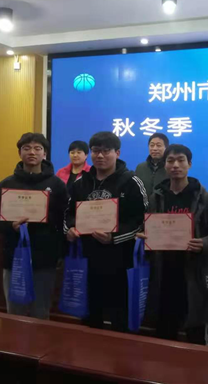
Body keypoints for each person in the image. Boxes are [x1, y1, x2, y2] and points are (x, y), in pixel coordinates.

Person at [139, 144, 208, 345]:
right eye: (170, 161)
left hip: (194, 275)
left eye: (180, 160)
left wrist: (203, 243)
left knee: (195, 333)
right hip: (163, 274)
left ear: (189, 164)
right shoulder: (156, 198)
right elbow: (146, 228)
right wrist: (144, 237)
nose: (175, 165)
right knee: (164, 333)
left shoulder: (205, 198)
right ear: (165, 165)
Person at [64, 131, 147, 332]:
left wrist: (114, 237)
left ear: (117, 153)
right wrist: (70, 229)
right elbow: (67, 213)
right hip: (87, 259)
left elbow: (143, 220)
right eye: (95, 151)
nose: (100, 156)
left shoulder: (131, 181)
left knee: (120, 318)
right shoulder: (80, 183)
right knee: (89, 317)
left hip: (120, 260)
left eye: (106, 151)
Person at [0, 132, 68, 320]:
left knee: (41, 311)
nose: (32, 152)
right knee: (15, 311)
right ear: (19, 153)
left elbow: (66, 218)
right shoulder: (6, 184)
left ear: (44, 154)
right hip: (14, 256)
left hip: (45, 258)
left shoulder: (57, 185)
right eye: (27, 148)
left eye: (37, 148)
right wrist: (11, 225)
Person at [135, 133, 169, 198]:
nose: (154, 148)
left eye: (158, 145)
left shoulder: (170, 168)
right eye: (152, 145)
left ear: (166, 148)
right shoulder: (140, 168)